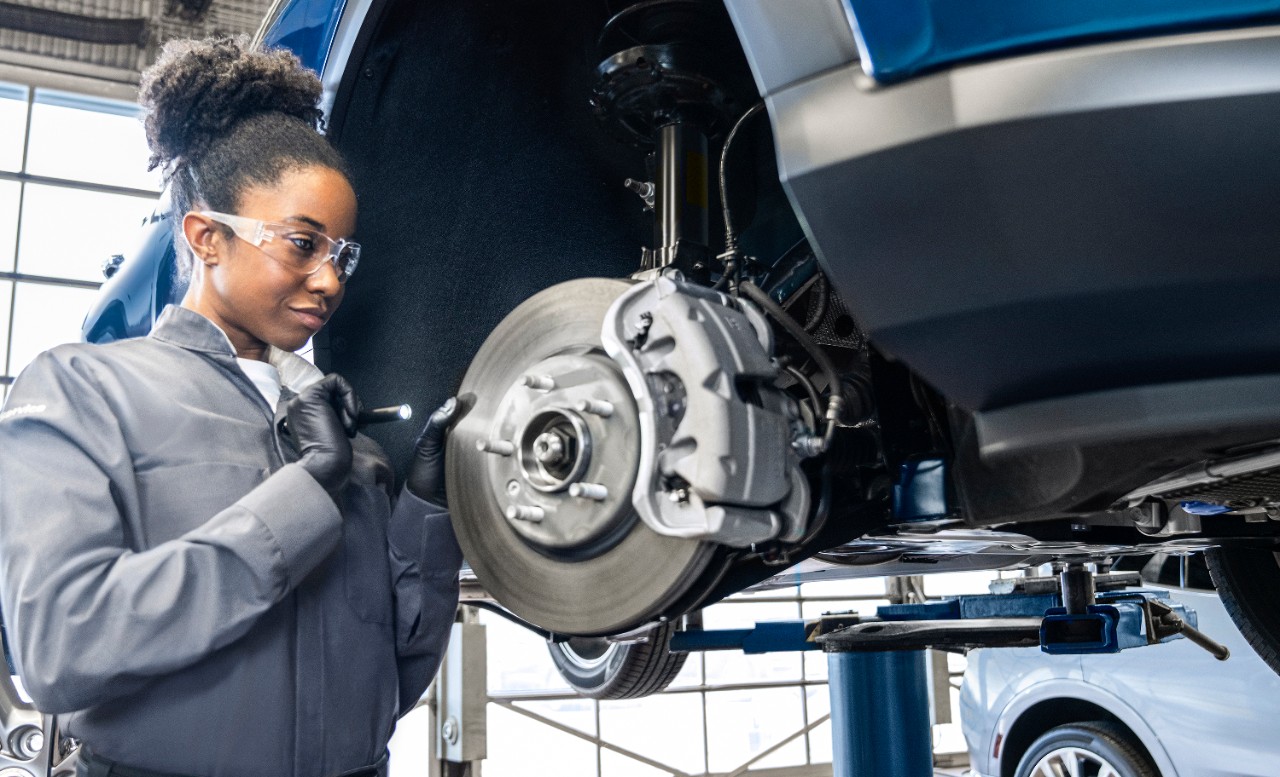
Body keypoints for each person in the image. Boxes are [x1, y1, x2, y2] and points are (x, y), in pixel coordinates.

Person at [0, 37, 461, 777]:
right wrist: (302, 494)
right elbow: (62, 647)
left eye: (341, 255)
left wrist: (430, 516)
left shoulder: (349, 445)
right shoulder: (81, 391)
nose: (329, 280)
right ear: (207, 237)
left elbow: (393, 683)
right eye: (303, 243)